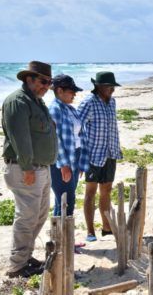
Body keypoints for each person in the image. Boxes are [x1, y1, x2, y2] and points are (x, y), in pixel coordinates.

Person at [2, 61, 58, 277]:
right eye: (43, 81)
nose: (46, 86)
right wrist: (27, 168)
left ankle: (25, 257)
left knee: (39, 215)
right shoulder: (18, 101)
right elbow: (20, 139)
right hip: (25, 169)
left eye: (49, 82)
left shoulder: (36, 101)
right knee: (26, 217)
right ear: (29, 79)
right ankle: (17, 265)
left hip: (40, 169)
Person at [78, 72, 122, 242]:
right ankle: (90, 231)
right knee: (90, 193)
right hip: (93, 154)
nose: (112, 89)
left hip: (110, 153)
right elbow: (77, 126)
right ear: (98, 86)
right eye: (109, 86)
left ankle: (106, 227)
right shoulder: (88, 103)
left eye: (113, 86)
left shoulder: (112, 103)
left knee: (107, 191)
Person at [49, 74, 89, 217]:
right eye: (71, 91)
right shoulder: (55, 109)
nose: (75, 94)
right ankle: (63, 238)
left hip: (74, 157)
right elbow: (56, 140)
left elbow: (79, 136)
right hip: (61, 162)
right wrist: (64, 165)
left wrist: (80, 162)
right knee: (66, 201)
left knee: (63, 200)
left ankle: (58, 238)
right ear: (59, 91)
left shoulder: (70, 109)